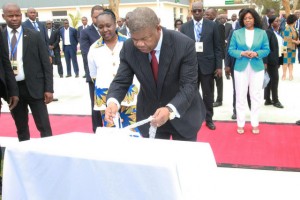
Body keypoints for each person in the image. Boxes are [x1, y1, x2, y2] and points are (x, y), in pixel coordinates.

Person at [105, 7, 206, 141]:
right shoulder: (129, 48)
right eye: (135, 39)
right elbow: (121, 80)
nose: (139, 44)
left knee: (182, 160)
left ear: (158, 28)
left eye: (145, 38)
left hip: (183, 114)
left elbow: (189, 86)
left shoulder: (184, 44)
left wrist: (169, 110)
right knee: (156, 160)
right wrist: (113, 102)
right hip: (150, 117)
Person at [2, 3, 54, 141]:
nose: (14, 18)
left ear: (21, 15)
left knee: (44, 126)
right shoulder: (1, 37)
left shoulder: (34, 36)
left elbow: (46, 64)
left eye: (17, 15)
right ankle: (26, 157)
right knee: (21, 128)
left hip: (35, 88)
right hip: (13, 91)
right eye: (10, 16)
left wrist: (49, 88)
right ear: (3, 17)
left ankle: (49, 155)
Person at [88, 9, 138, 129]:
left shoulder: (130, 43)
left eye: (108, 25)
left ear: (116, 24)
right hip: (105, 97)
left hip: (129, 94)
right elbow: (93, 75)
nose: (105, 30)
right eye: (100, 27)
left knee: (132, 131)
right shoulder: (93, 49)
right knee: (111, 134)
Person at [180, 1, 223, 130]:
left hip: (208, 67)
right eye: (195, 11)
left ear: (203, 11)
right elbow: (181, 49)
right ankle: (192, 119)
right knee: (190, 95)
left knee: (208, 95)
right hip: (190, 68)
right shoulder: (185, 27)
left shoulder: (213, 25)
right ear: (191, 12)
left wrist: (219, 66)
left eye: (200, 10)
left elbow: (218, 47)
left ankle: (209, 119)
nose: (197, 13)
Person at [228, 8, 270, 134]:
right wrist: (242, 53)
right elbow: (231, 50)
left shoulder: (262, 33)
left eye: (250, 18)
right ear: (242, 20)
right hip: (240, 67)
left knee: (255, 96)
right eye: (245, 18)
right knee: (240, 96)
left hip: (257, 68)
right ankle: (240, 123)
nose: (247, 20)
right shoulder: (236, 33)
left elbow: (266, 49)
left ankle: (255, 123)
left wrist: (256, 53)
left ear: (254, 19)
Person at [80, 5, 104, 132]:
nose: (99, 19)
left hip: (111, 75)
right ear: (91, 17)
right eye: (96, 17)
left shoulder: (110, 30)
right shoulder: (85, 32)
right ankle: (97, 130)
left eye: (101, 16)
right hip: (95, 76)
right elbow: (85, 54)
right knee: (96, 106)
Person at [263, 15, 284, 109]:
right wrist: (265, 62)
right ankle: (275, 100)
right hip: (271, 60)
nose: (278, 23)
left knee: (271, 80)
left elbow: (282, 46)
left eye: (279, 21)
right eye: (276, 21)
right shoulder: (268, 32)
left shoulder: (278, 32)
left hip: (277, 59)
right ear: (271, 23)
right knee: (275, 80)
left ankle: (267, 99)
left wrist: (282, 59)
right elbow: (266, 48)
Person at [282, 14, 299, 81]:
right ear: (293, 21)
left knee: (291, 62)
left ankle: (291, 75)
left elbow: (295, 36)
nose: (296, 22)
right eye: (295, 20)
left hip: (292, 47)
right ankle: (284, 75)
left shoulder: (293, 28)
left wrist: (297, 40)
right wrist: (296, 42)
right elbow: (287, 38)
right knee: (285, 62)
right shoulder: (287, 28)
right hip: (285, 47)